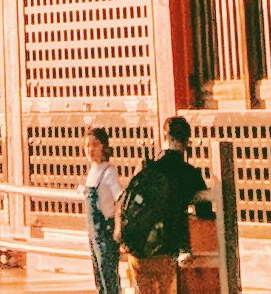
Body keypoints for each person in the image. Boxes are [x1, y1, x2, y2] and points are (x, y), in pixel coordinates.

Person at [116, 116, 205, 294]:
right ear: (187, 141)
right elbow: (205, 212)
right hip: (165, 249)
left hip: (137, 248)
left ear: (163, 138)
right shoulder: (189, 174)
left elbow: (126, 199)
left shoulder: (146, 167)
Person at [83, 128, 125, 294]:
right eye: (87, 145)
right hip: (94, 232)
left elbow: (119, 199)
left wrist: (118, 227)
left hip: (105, 231)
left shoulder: (109, 172)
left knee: (109, 276)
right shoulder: (93, 170)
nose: (90, 150)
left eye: (95, 145)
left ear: (104, 147)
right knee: (98, 274)